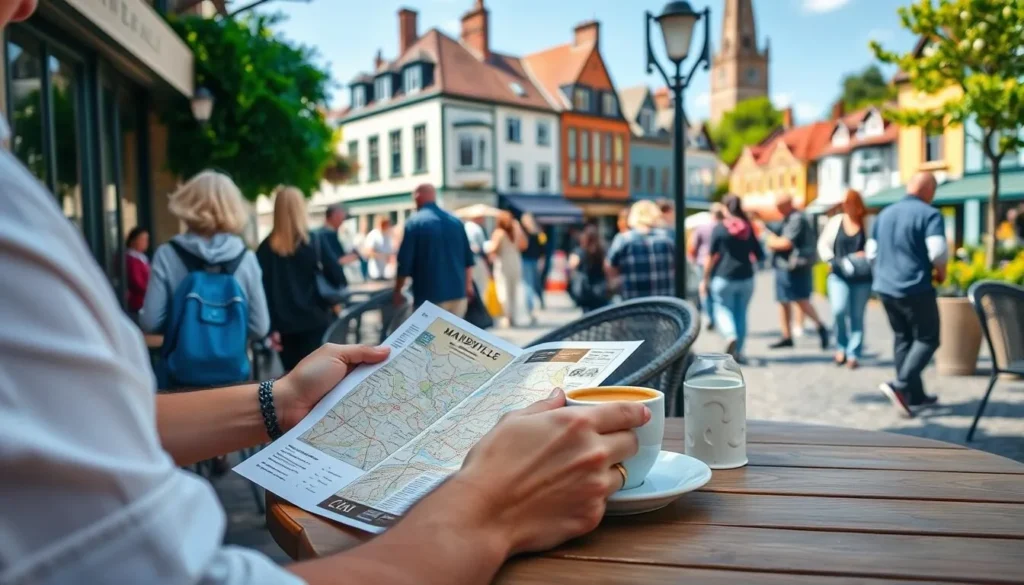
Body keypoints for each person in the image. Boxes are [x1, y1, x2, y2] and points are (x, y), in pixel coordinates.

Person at [141, 170, 270, 355]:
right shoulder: (246, 258)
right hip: (233, 376)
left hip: (180, 370)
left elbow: (150, 321)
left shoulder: (167, 254)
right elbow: (260, 327)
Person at [868, 172, 946, 416]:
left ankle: (916, 396)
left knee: (903, 339)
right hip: (915, 287)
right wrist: (941, 273)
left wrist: (883, 275)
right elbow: (938, 252)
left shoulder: (884, 214)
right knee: (928, 338)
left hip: (885, 288)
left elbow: (871, 253)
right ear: (929, 190)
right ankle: (900, 386)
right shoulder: (930, 214)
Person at [257, 186, 346, 371]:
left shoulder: (265, 248)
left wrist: (271, 328)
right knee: (321, 381)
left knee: (293, 381)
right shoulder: (315, 241)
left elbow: (262, 292)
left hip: (284, 327)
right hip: (317, 321)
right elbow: (338, 277)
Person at [700, 195, 765, 363]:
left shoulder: (720, 228)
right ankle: (739, 352)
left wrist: (705, 279)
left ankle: (730, 336)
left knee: (721, 308)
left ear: (724, 207)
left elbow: (711, 256)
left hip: (723, 276)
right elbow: (759, 254)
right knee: (741, 313)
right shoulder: (748, 227)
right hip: (746, 277)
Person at [394, 184, 475, 317]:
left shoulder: (414, 222)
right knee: (452, 337)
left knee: (427, 337)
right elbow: (468, 260)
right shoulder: (455, 221)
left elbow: (404, 263)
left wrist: (397, 290)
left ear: (417, 197)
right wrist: (468, 286)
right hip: (458, 293)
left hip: (430, 294)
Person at [763, 193, 829, 350]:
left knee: (801, 300)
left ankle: (820, 326)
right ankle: (787, 335)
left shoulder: (796, 218)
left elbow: (785, 243)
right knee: (784, 301)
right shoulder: (789, 217)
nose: (777, 210)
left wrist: (770, 241)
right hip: (786, 266)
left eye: (779, 207)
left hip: (794, 267)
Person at [818, 189, 872, 369]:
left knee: (857, 316)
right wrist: (830, 260)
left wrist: (866, 254)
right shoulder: (836, 222)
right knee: (838, 310)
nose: (846, 207)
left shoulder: (867, 222)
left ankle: (853, 353)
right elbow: (823, 244)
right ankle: (841, 346)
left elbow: (874, 246)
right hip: (838, 273)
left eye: (849, 204)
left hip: (861, 276)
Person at [607, 200, 676, 300]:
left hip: (635, 306)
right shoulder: (668, 238)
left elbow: (610, 267)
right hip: (664, 306)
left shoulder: (623, 239)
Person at [486, 211, 528, 327]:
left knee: (503, 289)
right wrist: (518, 228)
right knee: (514, 290)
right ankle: (513, 316)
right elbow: (524, 246)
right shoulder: (515, 232)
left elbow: (493, 248)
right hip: (516, 262)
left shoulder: (499, 233)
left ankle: (507, 316)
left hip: (503, 263)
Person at [688, 203, 725, 331]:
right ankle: (716, 316)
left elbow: (694, 245)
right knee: (716, 291)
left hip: (702, 261)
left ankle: (709, 316)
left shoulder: (702, 227)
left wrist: (692, 259)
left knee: (704, 290)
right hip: (720, 263)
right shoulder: (725, 227)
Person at [314, 203, 361, 285]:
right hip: (331, 285)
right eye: (341, 217)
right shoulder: (325, 235)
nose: (343, 220)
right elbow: (333, 261)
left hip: (334, 283)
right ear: (334, 216)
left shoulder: (327, 233)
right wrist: (353, 257)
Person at [568, 224, 611, 312]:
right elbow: (607, 267)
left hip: (585, 288)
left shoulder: (580, 251)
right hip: (600, 288)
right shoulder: (602, 251)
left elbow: (571, 266)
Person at [520, 212, 547, 313]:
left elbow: (543, 248)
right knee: (533, 283)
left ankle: (531, 307)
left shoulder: (527, 233)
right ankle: (536, 303)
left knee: (530, 283)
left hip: (529, 260)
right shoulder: (537, 233)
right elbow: (543, 248)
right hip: (531, 260)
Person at [124, 226, 151, 322]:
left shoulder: (141, 258)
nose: (146, 243)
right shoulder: (131, 259)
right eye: (142, 239)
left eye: (146, 239)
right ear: (133, 241)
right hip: (137, 303)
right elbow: (137, 283)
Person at [363, 216, 396, 280]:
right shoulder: (373, 235)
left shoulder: (388, 235)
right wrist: (382, 256)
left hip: (387, 274)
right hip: (375, 274)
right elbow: (367, 252)